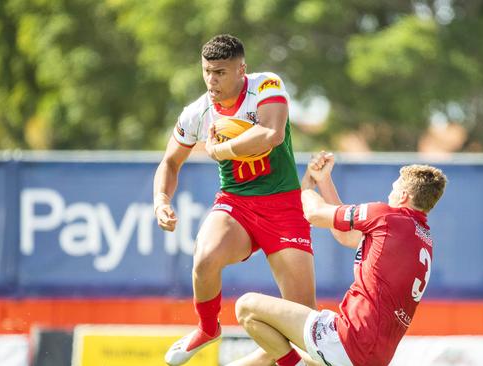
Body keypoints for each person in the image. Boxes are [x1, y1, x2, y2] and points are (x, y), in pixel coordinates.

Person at [153, 34, 316, 365]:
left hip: (284, 206)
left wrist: (221, 149)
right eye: (207, 71)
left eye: (221, 72)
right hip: (236, 203)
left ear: (243, 69)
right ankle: (207, 328)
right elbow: (170, 162)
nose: (212, 80)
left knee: (304, 321)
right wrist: (160, 199)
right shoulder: (197, 113)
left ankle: (278, 359)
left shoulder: (266, 85)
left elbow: (271, 133)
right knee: (204, 259)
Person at [235, 151, 448, 366]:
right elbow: (345, 235)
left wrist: (307, 186)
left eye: (392, 191)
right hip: (372, 357)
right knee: (271, 351)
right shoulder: (421, 239)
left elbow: (314, 213)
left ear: (403, 196)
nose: (389, 196)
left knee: (246, 307)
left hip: (347, 341)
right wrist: (324, 180)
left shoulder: (386, 217)